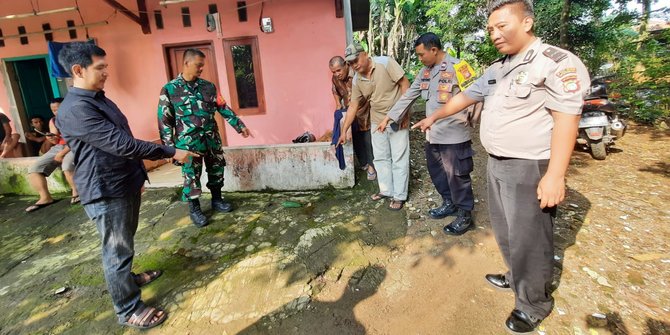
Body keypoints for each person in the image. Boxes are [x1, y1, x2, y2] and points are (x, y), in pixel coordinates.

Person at [413, 1, 590, 333]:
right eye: (491, 29)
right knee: (508, 232)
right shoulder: (498, 69)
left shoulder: (553, 63)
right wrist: (434, 115)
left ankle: (533, 303)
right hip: (497, 164)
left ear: (527, 22)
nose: (494, 34)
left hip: (529, 166)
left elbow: (567, 120)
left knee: (530, 238)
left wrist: (555, 175)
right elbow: (465, 96)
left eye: (502, 26)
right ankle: (516, 277)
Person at [56, 42, 199, 329]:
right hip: (105, 191)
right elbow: (121, 144)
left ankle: (127, 281)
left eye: (105, 66)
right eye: (100, 68)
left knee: (124, 243)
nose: (107, 72)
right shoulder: (76, 109)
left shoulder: (98, 98)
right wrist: (171, 151)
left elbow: (120, 141)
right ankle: (128, 308)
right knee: (116, 251)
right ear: (77, 70)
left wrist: (136, 179)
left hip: (122, 184)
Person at [378, 33, 476, 235]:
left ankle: (465, 215)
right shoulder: (424, 72)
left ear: (434, 49)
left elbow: (477, 96)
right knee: (438, 173)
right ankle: (449, 202)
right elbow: (409, 96)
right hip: (433, 134)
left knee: (458, 175)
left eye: (422, 54)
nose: (420, 59)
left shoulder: (460, 67)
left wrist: (470, 120)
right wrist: (390, 117)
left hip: (454, 134)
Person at [158, 48, 251, 227]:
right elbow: (164, 120)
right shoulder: (170, 89)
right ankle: (195, 209)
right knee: (191, 176)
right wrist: (169, 149)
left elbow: (222, 107)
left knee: (216, 170)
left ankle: (217, 199)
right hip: (188, 144)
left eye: (202, 66)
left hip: (211, 139)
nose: (201, 69)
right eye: (198, 65)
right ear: (186, 63)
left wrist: (239, 126)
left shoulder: (209, 87)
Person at [337, 42, 410, 210]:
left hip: (397, 117)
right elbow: (353, 106)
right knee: (380, 158)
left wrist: (405, 112)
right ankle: (386, 190)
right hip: (377, 121)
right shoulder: (357, 80)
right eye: (350, 63)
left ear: (365, 54)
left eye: (356, 60)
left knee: (399, 157)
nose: (354, 65)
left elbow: (405, 84)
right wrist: (344, 130)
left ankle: (399, 195)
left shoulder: (386, 63)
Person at [25, 98, 80, 212]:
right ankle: (45, 198)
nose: (56, 112)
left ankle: (76, 193)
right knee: (34, 169)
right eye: (53, 110)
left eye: (58, 109)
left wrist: (61, 154)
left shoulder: (76, 117)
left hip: (75, 146)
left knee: (67, 165)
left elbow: (77, 139)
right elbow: (55, 140)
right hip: (60, 147)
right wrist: (51, 138)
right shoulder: (53, 121)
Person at [329, 56, 376, 180]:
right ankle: (364, 163)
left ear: (345, 65)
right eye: (333, 72)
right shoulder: (335, 78)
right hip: (350, 112)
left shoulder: (357, 73)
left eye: (338, 70)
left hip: (364, 110)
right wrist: (338, 104)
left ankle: (372, 166)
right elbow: (335, 90)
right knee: (356, 138)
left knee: (367, 139)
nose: (336, 74)